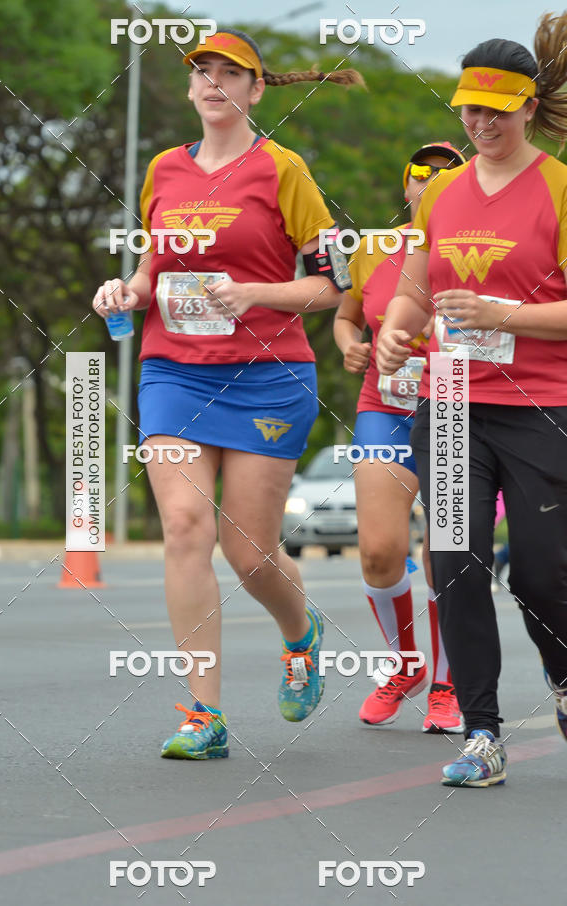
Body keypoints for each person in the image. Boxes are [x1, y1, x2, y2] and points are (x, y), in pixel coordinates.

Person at [92, 29, 364, 759]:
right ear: (190, 90)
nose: (213, 81)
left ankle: (300, 639)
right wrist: (126, 290)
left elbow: (333, 283)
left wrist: (255, 294)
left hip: (268, 377)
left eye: (229, 73)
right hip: (173, 369)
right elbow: (152, 268)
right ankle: (203, 715)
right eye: (201, 71)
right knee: (185, 527)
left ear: (253, 89)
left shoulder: (283, 170)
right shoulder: (162, 171)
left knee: (249, 553)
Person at [376, 13, 567, 786]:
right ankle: (482, 734)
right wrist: (396, 330)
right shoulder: (443, 193)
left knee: (543, 572)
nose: (480, 122)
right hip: (452, 401)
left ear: (527, 106)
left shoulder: (559, 187)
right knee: (455, 563)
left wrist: (508, 317)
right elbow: (415, 289)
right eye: (468, 108)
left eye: (495, 109)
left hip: (541, 405)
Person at [334, 142, 466, 734]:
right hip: (383, 406)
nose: (433, 182)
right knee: (380, 551)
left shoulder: (475, 250)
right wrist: (349, 346)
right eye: (422, 173)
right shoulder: (371, 249)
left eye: (449, 174)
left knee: (444, 553)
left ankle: (447, 680)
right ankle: (406, 662)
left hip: (455, 406)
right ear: (405, 185)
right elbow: (344, 315)